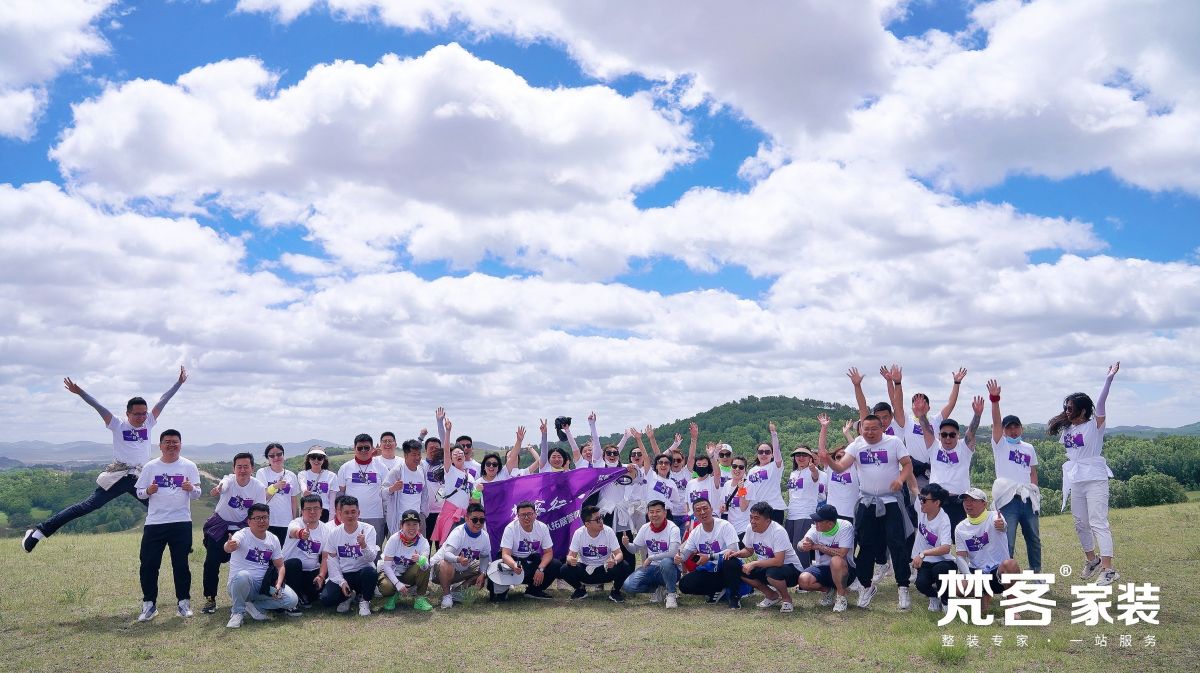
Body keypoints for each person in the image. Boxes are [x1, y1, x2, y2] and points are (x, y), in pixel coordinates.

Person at [25, 367, 187, 552]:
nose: (141, 417)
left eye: (144, 413)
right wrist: (80, 392)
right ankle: (38, 532)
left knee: (163, 509)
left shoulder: (149, 422)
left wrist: (179, 383)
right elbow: (97, 405)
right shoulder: (117, 424)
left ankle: (179, 542)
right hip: (119, 477)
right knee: (87, 506)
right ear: (128, 413)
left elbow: (163, 400)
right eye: (137, 414)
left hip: (140, 477)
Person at [820, 413, 914, 610]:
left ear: (882, 428)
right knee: (865, 545)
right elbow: (840, 467)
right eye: (866, 429)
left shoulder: (893, 442)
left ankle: (903, 586)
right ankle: (866, 586)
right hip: (866, 502)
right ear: (861, 429)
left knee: (896, 544)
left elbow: (907, 464)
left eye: (874, 429)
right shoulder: (857, 445)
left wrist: (900, 479)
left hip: (890, 501)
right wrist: (828, 459)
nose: (870, 433)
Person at [1048, 362, 1121, 585]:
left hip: (1095, 478)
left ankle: (1108, 569)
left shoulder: (1095, 425)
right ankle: (1092, 560)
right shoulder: (1068, 428)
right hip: (1076, 478)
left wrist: (1109, 378)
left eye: (1071, 408)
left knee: (1098, 521)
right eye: (1066, 408)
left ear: (1083, 410)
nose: (1067, 411)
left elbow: (1101, 403)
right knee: (1080, 523)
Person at [132, 428, 201, 621]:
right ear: (160, 446)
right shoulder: (150, 467)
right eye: (167, 442)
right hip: (155, 522)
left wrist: (191, 488)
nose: (171, 445)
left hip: (181, 522)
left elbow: (197, 494)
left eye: (175, 442)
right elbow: (139, 493)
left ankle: (183, 603)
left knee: (181, 564)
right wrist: (149, 490)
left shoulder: (189, 466)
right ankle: (149, 604)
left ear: (180, 444)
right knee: (149, 564)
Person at [986, 379, 1042, 574]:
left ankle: (1036, 572)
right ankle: (1005, 576)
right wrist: (995, 400)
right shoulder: (1000, 445)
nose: (1012, 430)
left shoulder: (1029, 448)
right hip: (1007, 500)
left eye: (1015, 427)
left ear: (1021, 428)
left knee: (1033, 538)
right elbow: (995, 421)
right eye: (1008, 427)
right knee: (1006, 540)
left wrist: (1035, 492)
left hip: (1027, 499)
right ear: (1003, 430)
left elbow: (1032, 471)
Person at [201, 452, 267, 615]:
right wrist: (218, 489)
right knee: (211, 562)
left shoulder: (258, 487)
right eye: (239, 467)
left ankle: (249, 597)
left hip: (243, 528)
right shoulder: (229, 480)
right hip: (220, 527)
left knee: (248, 562)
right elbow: (223, 485)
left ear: (252, 468)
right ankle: (210, 598)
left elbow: (259, 510)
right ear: (234, 468)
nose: (242, 470)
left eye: (246, 467)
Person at [223, 503, 298, 628]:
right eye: (257, 518)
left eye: (265, 517)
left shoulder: (273, 539)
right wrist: (229, 545)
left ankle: (255, 606)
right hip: (240, 585)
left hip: (263, 586)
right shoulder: (242, 535)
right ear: (249, 521)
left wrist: (278, 584)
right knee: (243, 576)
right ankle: (237, 613)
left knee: (291, 600)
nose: (262, 521)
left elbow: (280, 565)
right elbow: (229, 547)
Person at [890, 367, 966, 488]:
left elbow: (950, 404)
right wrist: (897, 383)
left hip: (934, 471)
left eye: (923, 402)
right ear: (912, 407)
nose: (919, 405)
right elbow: (897, 405)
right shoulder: (907, 421)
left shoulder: (936, 420)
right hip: (914, 472)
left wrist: (956, 383)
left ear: (929, 408)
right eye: (916, 403)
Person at [916, 397, 985, 532]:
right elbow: (926, 428)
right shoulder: (934, 446)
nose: (948, 438)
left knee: (960, 538)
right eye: (944, 434)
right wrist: (922, 415)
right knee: (935, 538)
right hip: (936, 502)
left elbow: (972, 431)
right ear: (939, 435)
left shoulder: (964, 448)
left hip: (958, 502)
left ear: (958, 435)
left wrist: (977, 415)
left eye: (952, 435)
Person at [954, 487, 1018, 612]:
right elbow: (960, 556)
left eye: (973, 500)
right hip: (977, 572)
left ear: (984, 503)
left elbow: (1002, 525)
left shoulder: (994, 516)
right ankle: (983, 594)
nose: (968, 504)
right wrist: (969, 577)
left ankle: (1013, 608)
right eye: (965, 500)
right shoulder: (960, 528)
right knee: (957, 587)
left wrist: (1002, 525)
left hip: (998, 572)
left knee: (1011, 565)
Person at [675, 498, 744, 609]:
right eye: (698, 510)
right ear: (694, 514)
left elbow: (734, 550)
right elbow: (685, 554)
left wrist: (709, 557)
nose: (702, 512)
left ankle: (734, 596)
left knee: (730, 560)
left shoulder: (725, 525)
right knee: (684, 584)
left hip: (728, 568)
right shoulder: (695, 532)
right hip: (710, 570)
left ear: (711, 509)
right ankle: (718, 590)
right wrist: (679, 557)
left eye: (705, 508)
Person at [737, 502, 805, 613]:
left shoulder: (778, 531)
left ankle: (787, 599)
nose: (752, 521)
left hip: (791, 569)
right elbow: (749, 550)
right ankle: (771, 595)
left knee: (773, 572)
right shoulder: (750, 528)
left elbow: (779, 561)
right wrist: (736, 553)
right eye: (751, 517)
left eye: (756, 518)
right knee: (741, 571)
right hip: (767, 567)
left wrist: (754, 563)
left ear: (767, 521)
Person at [319, 495, 379, 616]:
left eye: (353, 512)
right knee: (327, 599)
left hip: (362, 572)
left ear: (358, 513)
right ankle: (348, 597)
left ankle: (365, 600)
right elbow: (332, 561)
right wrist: (341, 582)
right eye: (346, 512)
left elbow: (371, 558)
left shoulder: (368, 529)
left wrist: (363, 545)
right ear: (340, 514)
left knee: (370, 572)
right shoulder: (334, 533)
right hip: (344, 573)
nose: (350, 516)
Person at [493, 501, 560, 601]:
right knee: (499, 565)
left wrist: (541, 569)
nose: (526, 517)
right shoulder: (510, 528)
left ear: (535, 514)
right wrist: (514, 565)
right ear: (518, 516)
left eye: (529, 514)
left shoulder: (542, 527)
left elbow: (548, 552)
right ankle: (502, 591)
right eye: (523, 515)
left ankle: (534, 590)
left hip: (530, 562)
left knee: (556, 564)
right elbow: (505, 554)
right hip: (514, 562)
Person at [621, 500, 682, 608]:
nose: (654, 515)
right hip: (652, 568)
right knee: (628, 586)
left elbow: (673, 552)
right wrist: (626, 544)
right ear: (647, 514)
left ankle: (671, 594)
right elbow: (634, 549)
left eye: (658, 511)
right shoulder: (645, 528)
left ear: (665, 513)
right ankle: (658, 589)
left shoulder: (673, 528)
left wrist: (651, 557)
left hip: (670, 568)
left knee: (666, 562)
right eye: (651, 512)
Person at [563, 505, 630, 602]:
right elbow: (570, 556)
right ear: (587, 524)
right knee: (564, 569)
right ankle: (580, 590)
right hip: (585, 570)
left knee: (624, 566)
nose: (601, 521)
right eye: (597, 519)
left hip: (605, 569)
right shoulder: (579, 533)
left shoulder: (608, 531)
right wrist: (570, 560)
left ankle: (615, 592)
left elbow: (619, 553)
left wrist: (614, 561)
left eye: (601, 517)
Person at [797, 504, 855, 613]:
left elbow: (842, 554)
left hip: (845, 570)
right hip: (823, 568)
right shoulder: (815, 528)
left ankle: (841, 596)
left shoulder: (845, 526)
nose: (815, 524)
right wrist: (803, 545)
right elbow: (801, 543)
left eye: (819, 521)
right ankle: (828, 591)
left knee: (836, 560)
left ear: (830, 524)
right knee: (803, 580)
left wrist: (819, 547)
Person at [432, 503, 491, 608]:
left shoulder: (485, 536)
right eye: (475, 519)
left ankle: (456, 593)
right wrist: (458, 559)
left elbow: (485, 556)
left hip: (460, 570)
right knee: (446, 563)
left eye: (482, 520)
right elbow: (446, 555)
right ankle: (446, 596)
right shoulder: (458, 533)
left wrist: (483, 573)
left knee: (488, 567)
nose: (478, 523)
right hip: (438, 572)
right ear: (466, 518)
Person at [910, 483, 957, 612]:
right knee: (921, 584)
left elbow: (946, 548)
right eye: (921, 498)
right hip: (926, 562)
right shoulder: (921, 509)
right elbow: (913, 486)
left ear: (937, 503)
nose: (921, 502)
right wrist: (905, 471)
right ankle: (934, 597)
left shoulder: (943, 520)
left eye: (924, 500)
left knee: (940, 570)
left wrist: (923, 554)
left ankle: (946, 602)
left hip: (943, 561)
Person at [336, 433, 387, 546]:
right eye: (360, 448)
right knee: (352, 549)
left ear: (372, 448)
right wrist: (339, 513)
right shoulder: (345, 468)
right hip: (351, 516)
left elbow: (387, 492)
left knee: (374, 549)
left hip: (375, 516)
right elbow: (340, 493)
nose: (363, 450)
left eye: (366, 447)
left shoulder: (381, 467)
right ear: (354, 449)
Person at [378, 509, 434, 612]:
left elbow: (426, 567)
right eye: (408, 524)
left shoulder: (423, 542)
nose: (412, 528)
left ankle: (420, 599)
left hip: (408, 575)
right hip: (392, 574)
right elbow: (386, 566)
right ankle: (393, 595)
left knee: (422, 566)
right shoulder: (394, 539)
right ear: (401, 525)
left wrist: (421, 560)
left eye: (415, 524)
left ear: (420, 526)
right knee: (386, 587)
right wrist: (397, 584)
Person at [282, 494, 329, 612]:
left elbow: (325, 557)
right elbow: (294, 531)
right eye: (308, 509)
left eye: (316, 508)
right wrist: (301, 533)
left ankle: (304, 595)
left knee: (328, 569)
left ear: (321, 511)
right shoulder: (295, 523)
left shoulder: (326, 530)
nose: (312, 512)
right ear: (302, 511)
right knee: (295, 563)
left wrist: (321, 576)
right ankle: (293, 601)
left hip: (311, 571)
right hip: (290, 570)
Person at [785, 442, 827, 566]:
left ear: (810, 457)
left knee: (800, 549)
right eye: (798, 455)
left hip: (805, 514)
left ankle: (803, 574)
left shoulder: (813, 471)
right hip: (791, 514)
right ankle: (794, 573)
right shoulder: (793, 473)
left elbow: (815, 476)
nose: (801, 457)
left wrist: (813, 469)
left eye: (804, 455)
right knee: (790, 548)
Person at [256, 443, 300, 545]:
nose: (276, 457)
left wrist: (295, 521)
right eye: (272, 455)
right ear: (268, 458)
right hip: (267, 521)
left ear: (283, 455)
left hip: (286, 522)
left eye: (279, 454)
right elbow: (262, 497)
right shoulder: (262, 472)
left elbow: (294, 501)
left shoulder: (291, 475)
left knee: (284, 551)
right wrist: (275, 486)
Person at [819, 417, 859, 523]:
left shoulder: (855, 467)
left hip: (851, 513)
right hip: (832, 513)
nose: (841, 458)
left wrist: (847, 433)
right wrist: (824, 427)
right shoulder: (830, 468)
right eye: (838, 456)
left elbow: (857, 450)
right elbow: (822, 451)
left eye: (845, 456)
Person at [383, 439, 427, 535]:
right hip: (400, 520)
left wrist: (423, 514)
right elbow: (382, 493)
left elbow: (424, 494)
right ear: (405, 455)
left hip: (417, 519)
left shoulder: (422, 471)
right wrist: (392, 488)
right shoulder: (397, 471)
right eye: (414, 454)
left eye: (419, 454)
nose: (417, 457)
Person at [745, 421, 785, 523]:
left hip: (774, 509)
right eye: (760, 452)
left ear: (772, 454)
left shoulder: (775, 466)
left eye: (767, 452)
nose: (764, 454)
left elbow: (777, 453)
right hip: (756, 511)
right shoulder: (751, 471)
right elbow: (746, 491)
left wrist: (774, 434)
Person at [299, 448, 339, 522]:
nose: (316, 460)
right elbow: (302, 483)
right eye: (313, 457)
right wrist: (304, 490)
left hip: (324, 512)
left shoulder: (332, 476)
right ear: (309, 459)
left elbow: (332, 501)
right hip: (307, 510)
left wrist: (331, 520)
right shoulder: (303, 474)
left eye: (320, 458)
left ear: (323, 460)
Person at [720, 456, 752, 537]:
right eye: (734, 466)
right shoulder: (727, 484)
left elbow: (743, 508)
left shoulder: (749, 485)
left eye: (741, 467)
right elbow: (724, 506)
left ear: (745, 470)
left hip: (744, 529)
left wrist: (741, 489)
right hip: (730, 530)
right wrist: (723, 507)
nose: (737, 469)